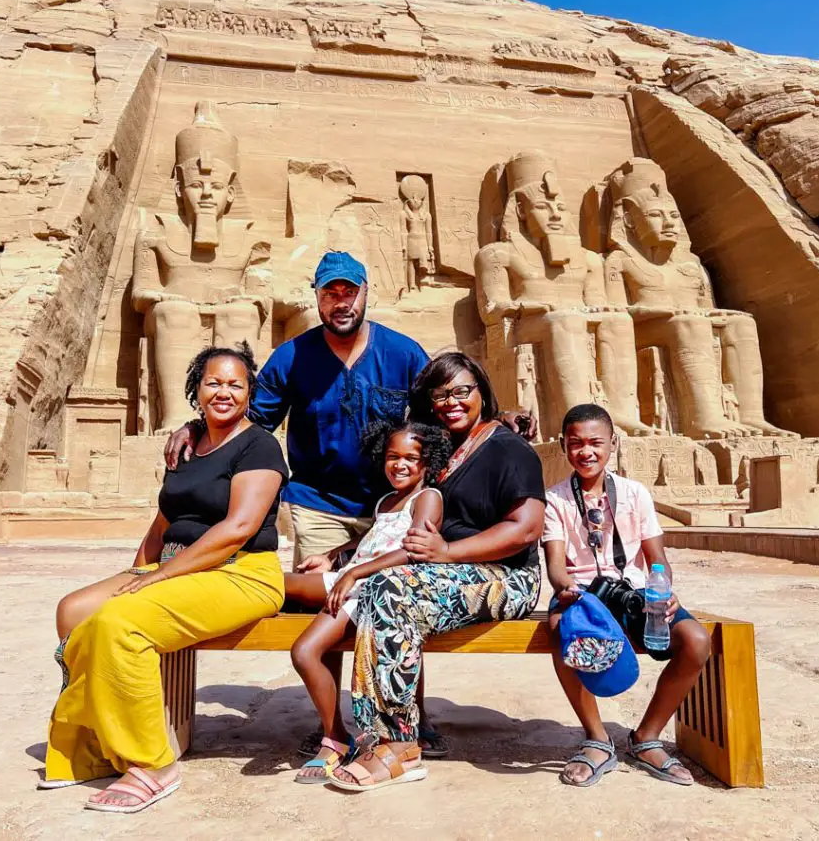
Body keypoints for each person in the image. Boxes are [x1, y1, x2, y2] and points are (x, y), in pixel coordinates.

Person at [164, 251, 463, 760]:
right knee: (328, 606)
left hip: (390, 503)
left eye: (350, 291)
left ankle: (412, 715)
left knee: (400, 607)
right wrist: (193, 426)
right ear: (318, 298)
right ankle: (333, 723)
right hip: (319, 502)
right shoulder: (291, 357)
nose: (341, 302)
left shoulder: (404, 353)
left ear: (366, 293)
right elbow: (247, 416)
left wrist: (499, 423)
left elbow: (441, 413)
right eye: (331, 293)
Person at [42, 343, 289, 814]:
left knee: (119, 624)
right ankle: (97, 744)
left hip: (240, 572)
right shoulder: (189, 444)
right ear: (196, 389)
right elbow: (165, 518)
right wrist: (140, 569)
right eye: (213, 382)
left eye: (236, 384)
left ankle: (152, 764)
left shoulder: (260, 445)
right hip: (178, 565)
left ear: (249, 393)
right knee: (74, 610)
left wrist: (159, 579)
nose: (224, 392)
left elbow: (236, 529)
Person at [329, 352, 546, 791]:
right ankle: (380, 734)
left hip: (507, 577)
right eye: (440, 394)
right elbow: (404, 527)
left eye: (462, 391)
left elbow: (525, 529)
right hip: (446, 572)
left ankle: (400, 746)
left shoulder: (509, 448)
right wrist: (342, 555)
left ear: (481, 391)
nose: (451, 401)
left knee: (391, 589)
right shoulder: (441, 452)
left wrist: (447, 551)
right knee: (381, 587)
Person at [542, 403, 711, 787]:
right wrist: (565, 588)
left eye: (595, 443)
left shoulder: (635, 494)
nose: (586, 452)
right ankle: (597, 740)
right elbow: (555, 563)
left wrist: (663, 591)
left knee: (696, 641)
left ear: (612, 444)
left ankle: (646, 737)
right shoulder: (555, 499)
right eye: (576, 443)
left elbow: (657, 559)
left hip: (634, 591)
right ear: (564, 446)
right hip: (583, 594)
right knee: (560, 632)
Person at [284, 420, 450, 782]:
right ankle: (335, 735)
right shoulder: (387, 501)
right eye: (393, 456)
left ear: (427, 463)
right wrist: (333, 557)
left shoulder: (428, 498)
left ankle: (339, 740)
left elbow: (413, 550)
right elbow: (370, 544)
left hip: (378, 592)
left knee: (286, 593)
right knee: (302, 645)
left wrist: (354, 573)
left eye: (411, 457)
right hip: (354, 584)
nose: (400, 464)